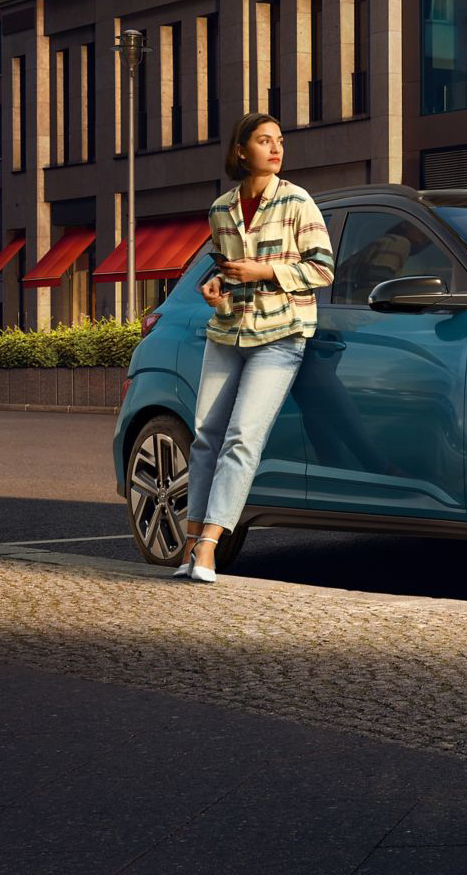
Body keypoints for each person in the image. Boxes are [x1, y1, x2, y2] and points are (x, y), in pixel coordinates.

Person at [179, 112, 335, 583]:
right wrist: (215, 289)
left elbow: (324, 268)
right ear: (241, 150)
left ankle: (209, 546)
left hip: (280, 335)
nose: (275, 148)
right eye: (264, 140)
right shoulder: (221, 208)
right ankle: (189, 542)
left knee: (242, 438)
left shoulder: (296, 202)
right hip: (228, 330)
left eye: (279, 141)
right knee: (206, 434)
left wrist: (265, 272)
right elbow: (226, 272)